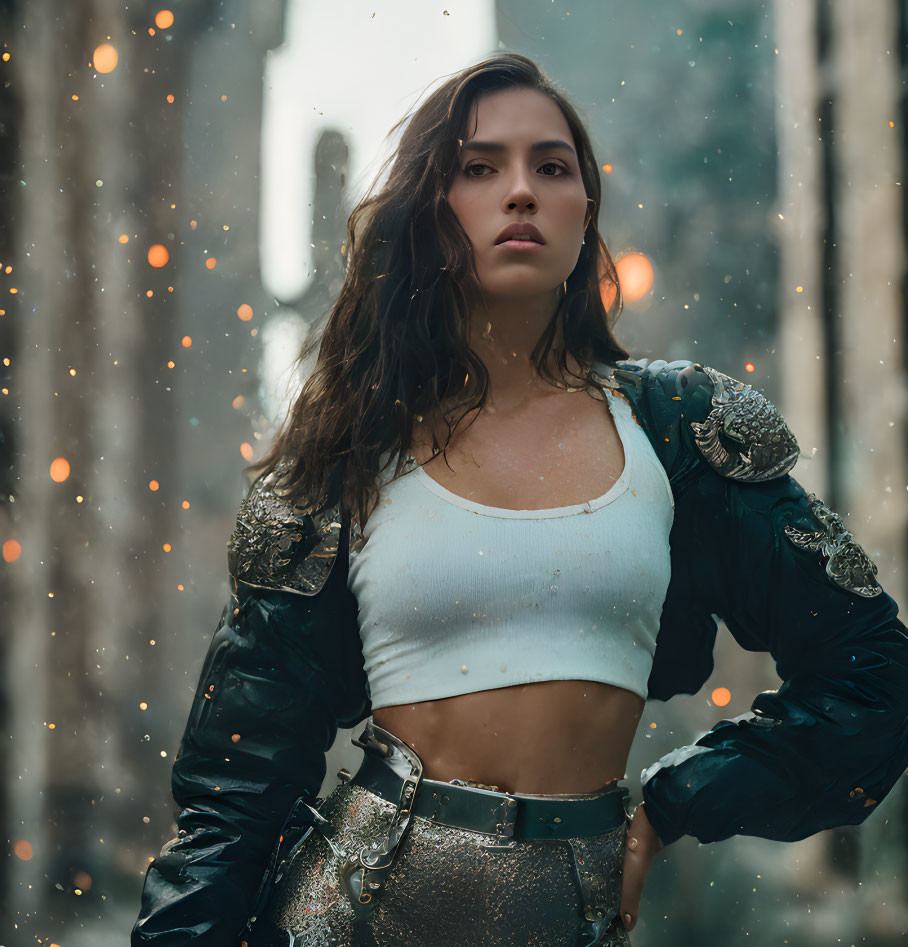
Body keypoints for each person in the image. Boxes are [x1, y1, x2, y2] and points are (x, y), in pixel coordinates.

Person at [132, 53, 908, 946]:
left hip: (577, 918)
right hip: (345, 918)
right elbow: (236, 793)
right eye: (478, 166)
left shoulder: (683, 431)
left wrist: (671, 804)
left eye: (552, 166)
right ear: (431, 210)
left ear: (587, 209)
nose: (521, 191)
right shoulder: (340, 454)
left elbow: (872, 672)